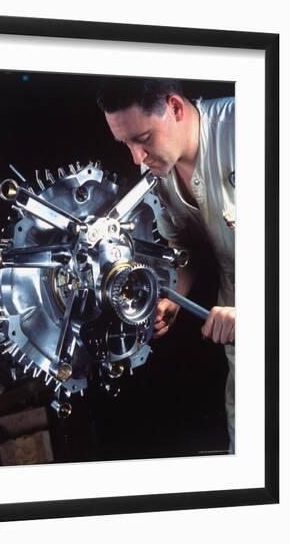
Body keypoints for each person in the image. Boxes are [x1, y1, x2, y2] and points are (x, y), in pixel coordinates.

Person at [97, 77, 235, 452]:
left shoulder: (249, 127)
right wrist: (175, 296)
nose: (136, 158)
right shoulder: (156, 174)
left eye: (142, 139)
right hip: (237, 335)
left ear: (174, 108)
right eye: (124, 143)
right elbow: (183, 246)